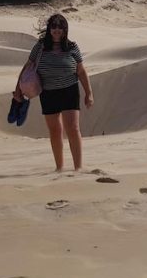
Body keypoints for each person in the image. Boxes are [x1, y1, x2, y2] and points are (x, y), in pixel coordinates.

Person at [15, 14, 94, 172]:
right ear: (49, 29)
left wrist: (89, 93)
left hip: (69, 90)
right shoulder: (41, 46)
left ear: (65, 30)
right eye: (54, 27)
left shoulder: (72, 47)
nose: (57, 30)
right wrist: (18, 89)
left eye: (60, 27)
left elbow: (81, 70)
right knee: (55, 130)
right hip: (48, 92)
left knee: (72, 128)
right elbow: (28, 66)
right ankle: (59, 167)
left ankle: (78, 167)